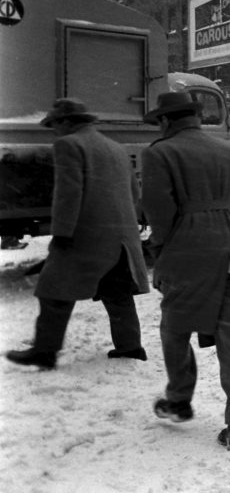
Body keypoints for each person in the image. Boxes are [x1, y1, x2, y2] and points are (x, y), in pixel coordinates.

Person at [141, 92, 230, 452]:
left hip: (187, 254)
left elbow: (160, 211)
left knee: (175, 329)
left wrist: (164, 247)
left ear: (166, 120)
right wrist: (229, 225)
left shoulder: (160, 152)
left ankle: (178, 400)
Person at [5, 98, 149, 370]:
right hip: (121, 237)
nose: (54, 131)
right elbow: (134, 194)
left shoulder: (69, 144)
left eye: (54, 124)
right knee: (117, 293)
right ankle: (131, 347)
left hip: (87, 235)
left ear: (66, 122)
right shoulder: (116, 148)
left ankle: (45, 352)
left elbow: (68, 194)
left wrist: (61, 234)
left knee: (54, 290)